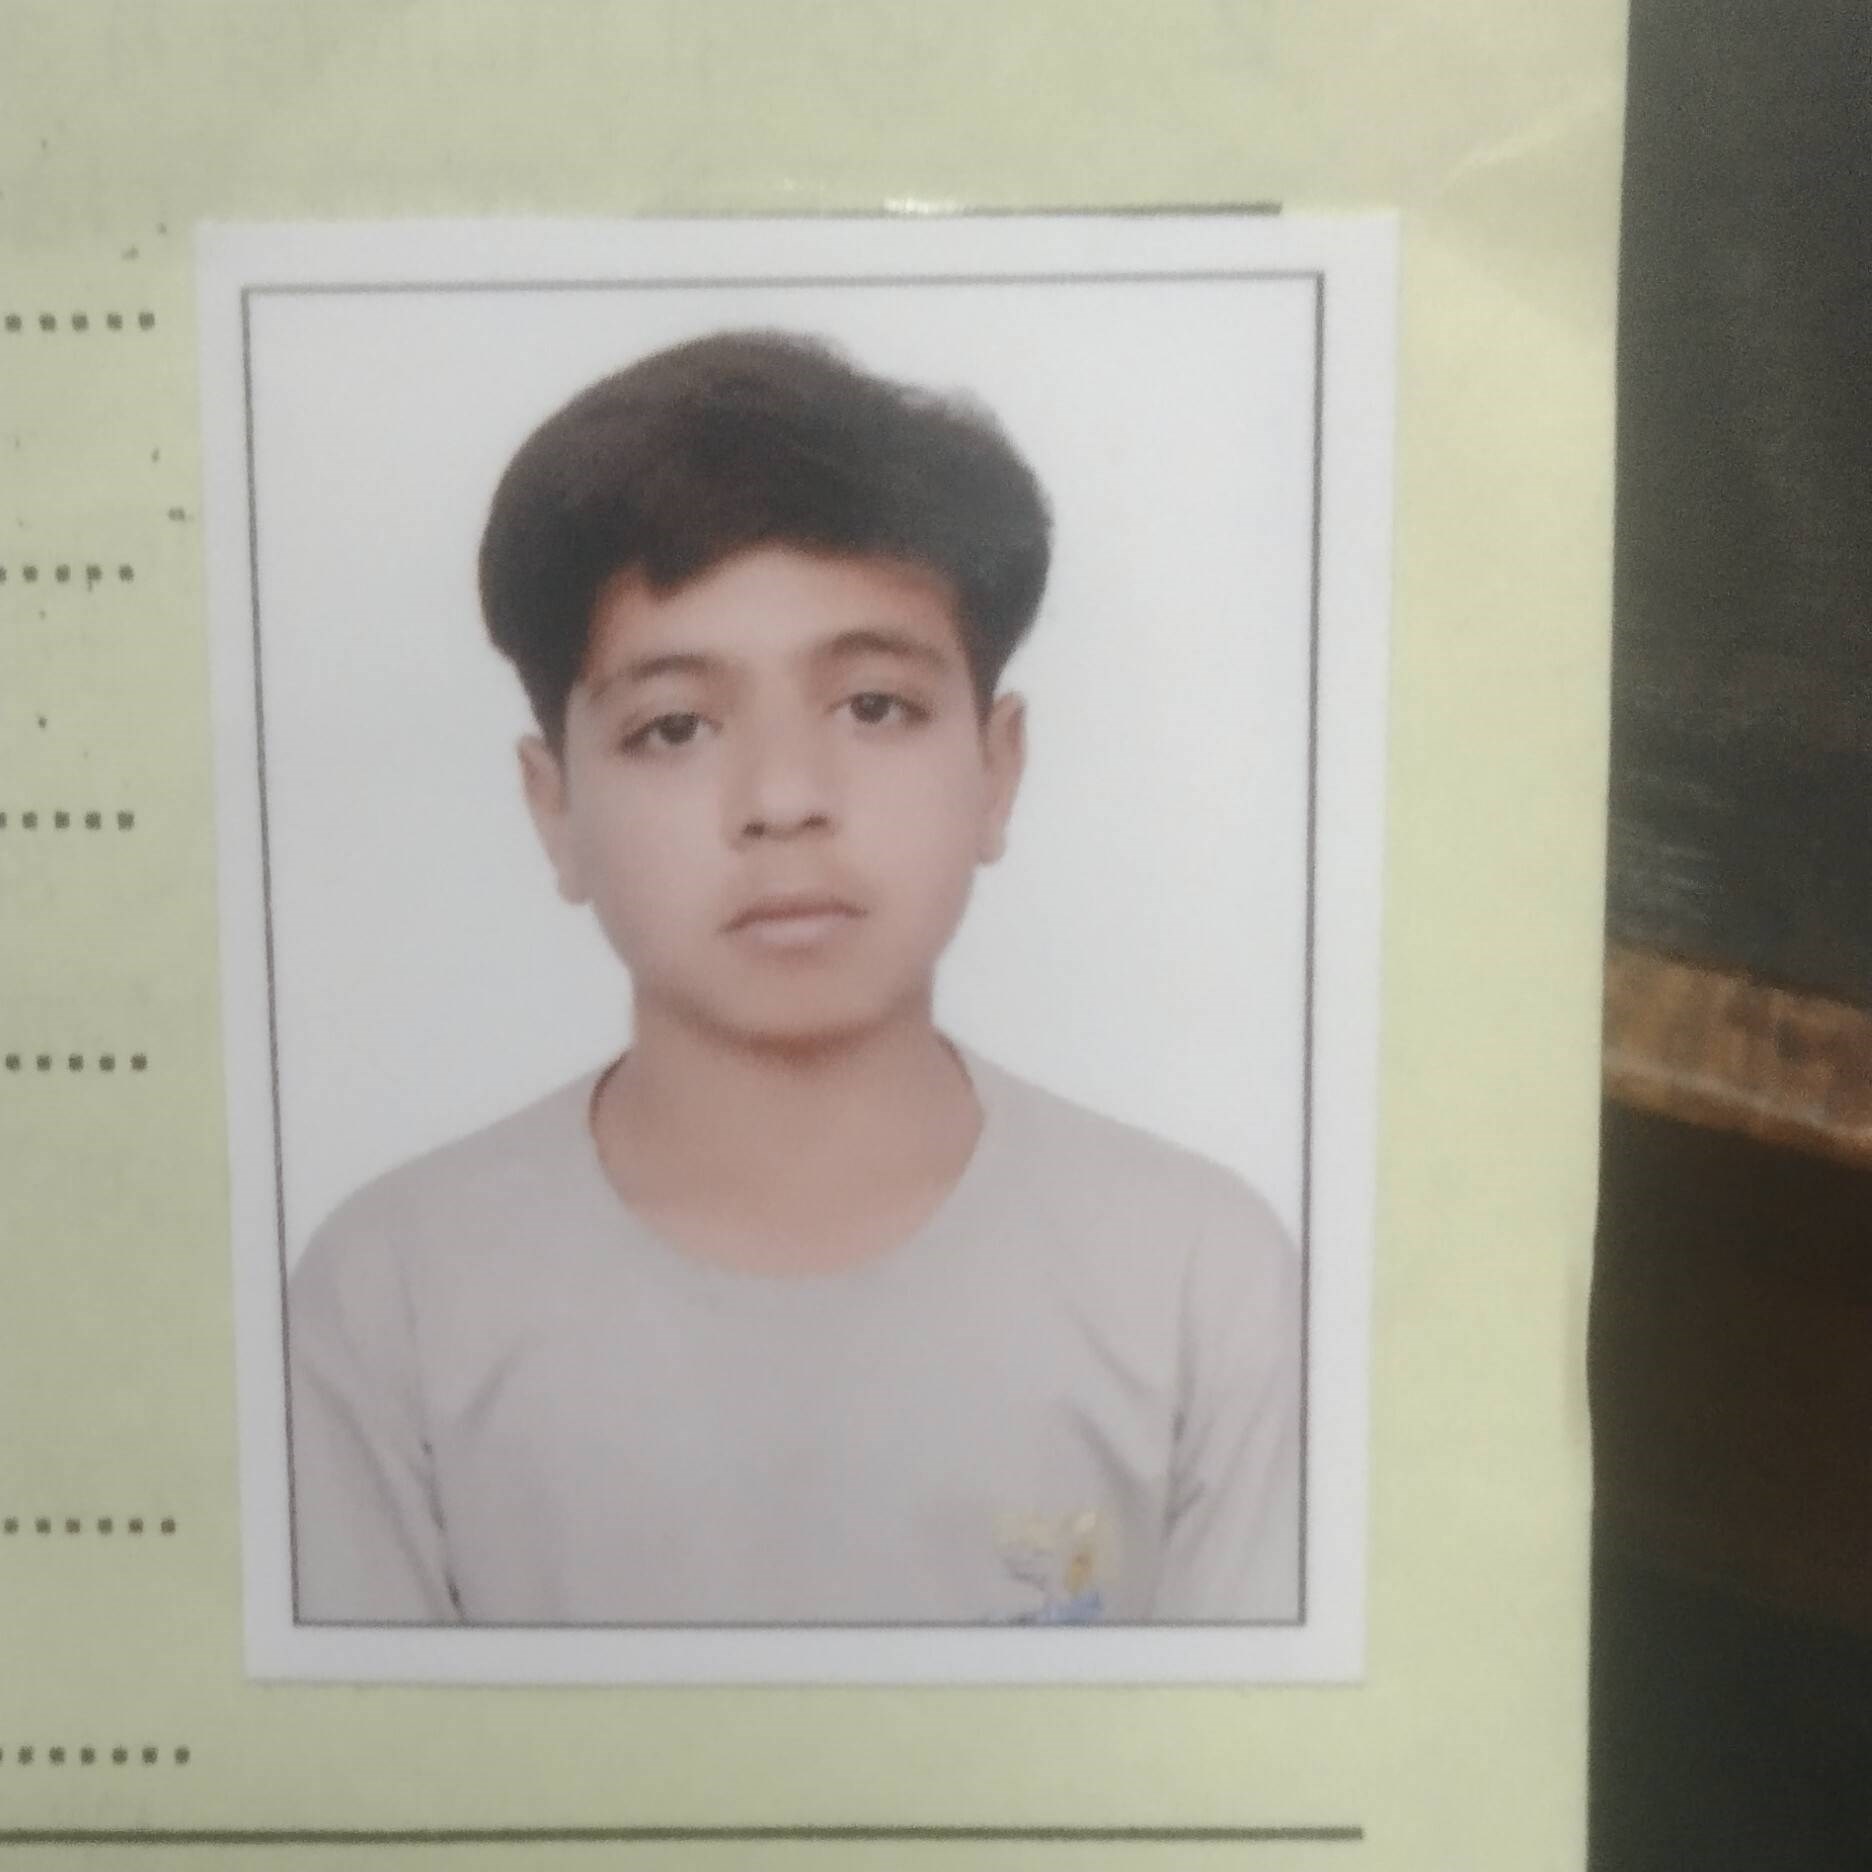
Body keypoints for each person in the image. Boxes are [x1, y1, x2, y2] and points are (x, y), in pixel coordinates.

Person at [286, 329, 1300, 1628]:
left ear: (997, 769)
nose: (782, 799)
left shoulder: (1202, 1285)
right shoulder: (391, 1303)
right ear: (556, 810)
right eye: (675, 726)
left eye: (874, 707)